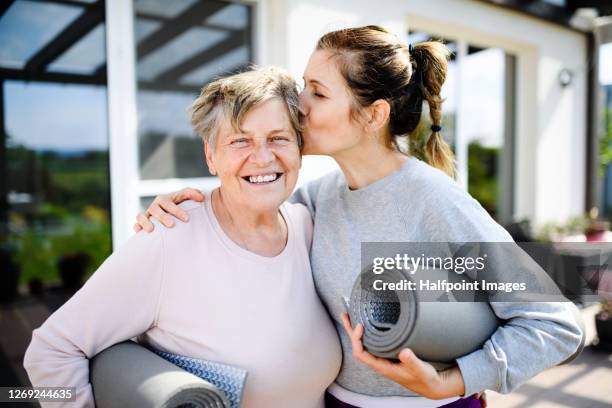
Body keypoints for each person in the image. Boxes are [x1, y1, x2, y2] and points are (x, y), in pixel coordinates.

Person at [134, 26, 583, 408]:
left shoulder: (436, 203)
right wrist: (190, 208)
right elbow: (248, 216)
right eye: (303, 86)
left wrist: (454, 380)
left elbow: (554, 323)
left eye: (318, 92)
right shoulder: (318, 197)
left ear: (373, 115)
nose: (299, 105)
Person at [23, 67, 342, 408]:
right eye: (239, 140)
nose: (263, 157)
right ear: (210, 156)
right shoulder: (168, 239)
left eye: (278, 138)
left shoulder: (305, 225)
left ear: (298, 148)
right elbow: (51, 351)